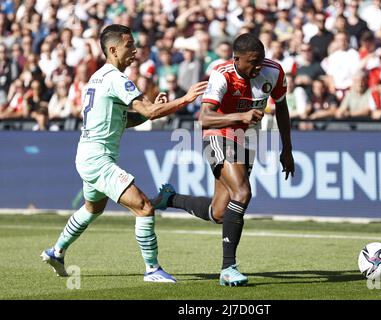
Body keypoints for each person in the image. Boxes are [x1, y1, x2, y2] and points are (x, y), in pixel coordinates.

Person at [40, 24, 207, 283]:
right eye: (130, 46)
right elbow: (150, 112)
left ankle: (57, 251)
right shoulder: (117, 79)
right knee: (143, 207)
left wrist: (151, 110)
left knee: (92, 208)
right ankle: (152, 269)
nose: (135, 50)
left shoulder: (97, 78)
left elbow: (125, 120)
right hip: (97, 158)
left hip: (88, 154)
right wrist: (185, 100)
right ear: (113, 49)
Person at [154, 33, 295, 286]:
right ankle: (228, 268)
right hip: (218, 134)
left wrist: (287, 148)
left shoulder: (273, 72)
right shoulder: (222, 74)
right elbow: (205, 118)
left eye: (261, 60)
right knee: (242, 193)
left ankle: (170, 198)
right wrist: (238, 118)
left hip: (248, 139)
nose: (258, 66)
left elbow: (282, 107)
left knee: (219, 212)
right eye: (253, 61)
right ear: (236, 59)